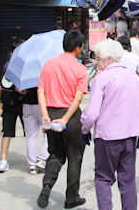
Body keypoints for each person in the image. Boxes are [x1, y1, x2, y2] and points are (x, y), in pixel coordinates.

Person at [81, 39, 139, 210]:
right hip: (130, 137)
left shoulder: (101, 79)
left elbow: (91, 113)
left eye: (98, 58)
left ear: (109, 59)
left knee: (103, 178)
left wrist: (84, 129)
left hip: (107, 137)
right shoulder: (133, 77)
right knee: (127, 180)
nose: (96, 62)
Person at [36, 30, 89, 209]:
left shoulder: (48, 65)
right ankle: (71, 198)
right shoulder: (80, 68)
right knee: (75, 157)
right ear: (78, 48)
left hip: (50, 114)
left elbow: (40, 91)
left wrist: (45, 114)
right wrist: (66, 119)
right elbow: (78, 98)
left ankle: (47, 186)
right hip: (71, 117)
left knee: (55, 154)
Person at [0, 39, 25, 173]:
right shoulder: (18, 66)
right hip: (19, 102)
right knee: (30, 132)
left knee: (7, 132)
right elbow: (19, 89)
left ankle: (3, 160)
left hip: (7, 104)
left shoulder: (6, 64)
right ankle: (34, 160)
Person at [22, 87, 49, 174]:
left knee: (30, 136)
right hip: (43, 106)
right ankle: (42, 159)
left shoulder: (25, 74)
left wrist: (27, 92)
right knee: (48, 133)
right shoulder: (43, 73)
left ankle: (32, 164)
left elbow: (18, 89)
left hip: (27, 105)